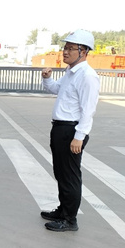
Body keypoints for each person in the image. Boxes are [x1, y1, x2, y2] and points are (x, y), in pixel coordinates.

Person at [41, 29, 100, 232]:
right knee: (61, 172)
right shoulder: (71, 73)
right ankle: (63, 210)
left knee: (70, 176)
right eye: (65, 48)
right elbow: (56, 89)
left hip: (71, 130)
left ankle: (69, 219)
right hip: (60, 128)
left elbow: (88, 109)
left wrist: (79, 136)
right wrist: (47, 79)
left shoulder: (87, 76)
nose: (65, 52)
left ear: (83, 51)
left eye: (70, 48)